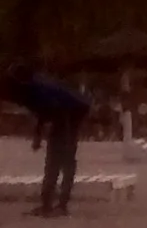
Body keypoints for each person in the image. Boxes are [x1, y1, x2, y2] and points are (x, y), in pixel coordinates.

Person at [4, 64, 93, 216]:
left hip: (74, 111)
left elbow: (58, 111)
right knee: (53, 158)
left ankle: (61, 206)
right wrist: (38, 135)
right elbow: (41, 112)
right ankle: (46, 205)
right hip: (64, 112)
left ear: (21, 81)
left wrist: (63, 139)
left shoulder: (40, 88)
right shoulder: (30, 89)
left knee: (64, 158)